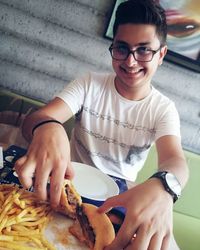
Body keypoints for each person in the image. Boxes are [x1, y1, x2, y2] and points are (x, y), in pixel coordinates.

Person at [15, 0, 189, 249]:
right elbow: (37, 118)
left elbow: (175, 161)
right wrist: (48, 126)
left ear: (161, 54)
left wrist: (164, 186)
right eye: (122, 48)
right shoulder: (89, 84)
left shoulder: (163, 108)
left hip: (118, 202)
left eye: (143, 50)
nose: (130, 61)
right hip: (66, 189)